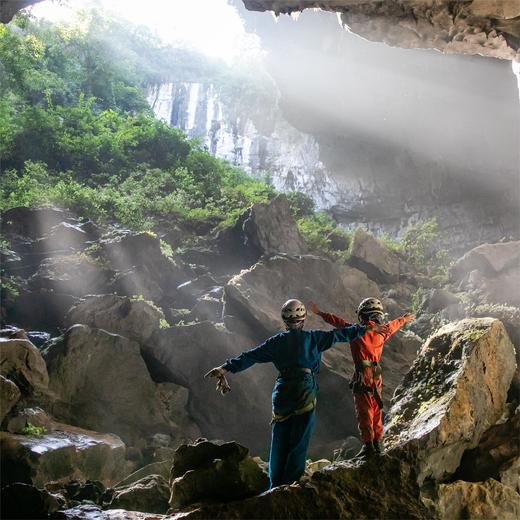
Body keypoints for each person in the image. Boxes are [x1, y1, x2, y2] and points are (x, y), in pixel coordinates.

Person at [205, 298, 389, 488]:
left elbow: (251, 355)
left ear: (284, 321)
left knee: (280, 435)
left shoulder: (276, 342)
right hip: (304, 388)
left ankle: (275, 482)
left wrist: (225, 368)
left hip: (282, 390)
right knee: (300, 435)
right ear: (303, 319)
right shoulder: (313, 338)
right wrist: (365, 329)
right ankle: (292, 480)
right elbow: (340, 335)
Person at [309, 298, 415, 458]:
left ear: (363, 316)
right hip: (376, 376)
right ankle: (378, 444)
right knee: (376, 409)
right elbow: (394, 325)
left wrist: (320, 313)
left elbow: (338, 322)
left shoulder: (355, 331)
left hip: (362, 376)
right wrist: (404, 319)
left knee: (364, 410)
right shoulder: (382, 331)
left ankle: (368, 446)